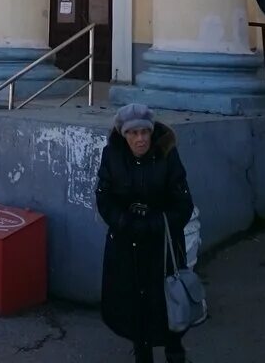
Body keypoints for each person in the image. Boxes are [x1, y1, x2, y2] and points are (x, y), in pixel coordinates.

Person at [96, 103, 194, 363]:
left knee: (168, 298)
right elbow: (104, 198)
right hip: (127, 244)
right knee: (134, 301)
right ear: (123, 134)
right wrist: (125, 222)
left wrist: (155, 224)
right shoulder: (112, 155)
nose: (140, 139)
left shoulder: (167, 154)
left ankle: (175, 351)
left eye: (144, 132)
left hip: (163, 245)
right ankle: (142, 351)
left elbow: (183, 204)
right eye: (133, 133)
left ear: (151, 133)